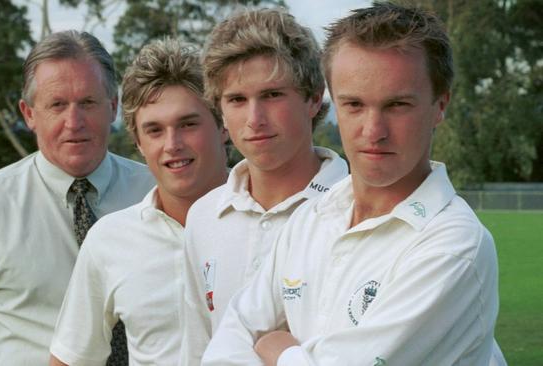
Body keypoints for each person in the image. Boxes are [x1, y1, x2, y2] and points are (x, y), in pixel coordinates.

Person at [202, 3, 506, 365]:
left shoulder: (454, 247)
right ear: (333, 102)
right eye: (354, 105)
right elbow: (227, 343)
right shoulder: (312, 217)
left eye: (397, 105)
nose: (373, 131)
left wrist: (279, 350)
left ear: (440, 105)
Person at [0, 30, 155, 365]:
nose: (73, 122)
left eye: (87, 103)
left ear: (114, 106)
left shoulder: (157, 193)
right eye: (57, 105)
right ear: (29, 113)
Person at [180, 8, 349, 364]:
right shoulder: (204, 217)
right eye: (237, 100)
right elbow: (197, 349)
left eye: (272, 95)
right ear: (221, 111)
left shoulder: (358, 211)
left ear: (314, 98)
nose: (254, 119)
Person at [48, 37, 229, 366]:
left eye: (188, 124)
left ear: (223, 126)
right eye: (155, 130)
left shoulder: (276, 223)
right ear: (139, 143)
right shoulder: (109, 240)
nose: (172, 144)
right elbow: (69, 358)